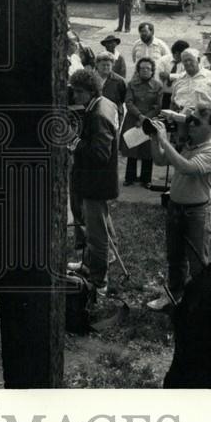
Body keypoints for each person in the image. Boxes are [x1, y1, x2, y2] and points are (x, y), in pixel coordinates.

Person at [144, 102, 211, 310]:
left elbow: (186, 167)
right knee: (175, 258)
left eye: (196, 122)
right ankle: (174, 295)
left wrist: (164, 139)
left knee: (199, 261)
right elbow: (161, 160)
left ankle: (200, 305)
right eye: (189, 120)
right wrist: (155, 138)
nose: (190, 125)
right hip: (175, 208)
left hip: (197, 213)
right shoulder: (187, 144)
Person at [68, 68, 120, 298]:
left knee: (96, 233)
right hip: (96, 180)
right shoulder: (104, 104)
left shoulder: (98, 114)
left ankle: (99, 282)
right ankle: (89, 265)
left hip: (96, 182)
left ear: (91, 91)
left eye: (79, 92)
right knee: (100, 225)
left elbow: (100, 154)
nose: (75, 96)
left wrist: (73, 141)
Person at [121, 56, 163, 187]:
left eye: (148, 68)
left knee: (147, 150)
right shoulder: (132, 84)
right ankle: (130, 177)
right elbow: (128, 102)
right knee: (132, 148)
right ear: (138, 70)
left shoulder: (158, 86)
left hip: (150, 121)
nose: (145, 71)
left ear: (152, 71)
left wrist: (146, 118)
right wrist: (139, 116)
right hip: (133, 119)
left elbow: (158, 106)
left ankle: (146, 179)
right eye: (142, 68)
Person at [170, 48, 211, 113]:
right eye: (185, 61)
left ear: (198, 60)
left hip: (202, 117)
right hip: (180, 116)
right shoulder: (179, 79)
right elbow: (173, 102)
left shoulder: (210, 76)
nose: (187, 63)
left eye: (190, 60)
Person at [157, 39, 190, 110]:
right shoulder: (163, 60)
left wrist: (169, 76)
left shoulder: (186, 63)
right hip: (163, 94)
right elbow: (159, 75)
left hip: (179, 95)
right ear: (176, 53)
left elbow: (185, 76)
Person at [96, 51, 127, 124]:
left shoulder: (120, 81)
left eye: (108, 65)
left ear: (112, 65)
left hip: (114, 115)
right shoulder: (90, 79)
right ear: (97, 64)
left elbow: (123, 98)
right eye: (103, 65)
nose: (106, 67)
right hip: (95, 114)